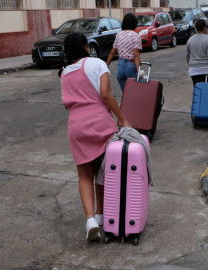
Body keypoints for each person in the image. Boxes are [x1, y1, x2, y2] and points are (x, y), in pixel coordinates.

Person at [59, 33, 131, 241]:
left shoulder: (64, 73)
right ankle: (102, 214)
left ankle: (90, 219)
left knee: (84, 175)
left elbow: (66, 103)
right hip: (100, 124)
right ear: (85, 46)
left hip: (76, 127)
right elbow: (106, 94)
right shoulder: (97, 63)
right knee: (104, 170)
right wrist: (122, 119)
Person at [106, 13, 142, 93]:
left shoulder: (119, 34)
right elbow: (136, 55)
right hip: (131, 66)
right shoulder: (136, 36)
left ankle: (126, 105)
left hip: (120, 66)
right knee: (134, 93)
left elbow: (113, 52)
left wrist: (107, 64)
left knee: (126, 93)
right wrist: (140, 70)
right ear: (134, 24)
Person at [186, 19, 208, 86]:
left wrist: (190, 64)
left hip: (193, 69)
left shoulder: (190, 40)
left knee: (197, 89)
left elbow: (187, 55)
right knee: (206, 89)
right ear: (205, 28)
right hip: (205, 69)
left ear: (195, 28)